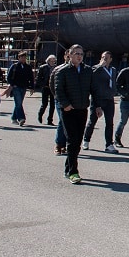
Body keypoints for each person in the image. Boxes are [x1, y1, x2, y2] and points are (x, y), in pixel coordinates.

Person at [54, 44, 92, 184]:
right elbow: (58, 90)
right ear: (69, 55)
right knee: (72, 140)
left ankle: (67, 168)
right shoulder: (62, 71)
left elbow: (92, 88)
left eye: (81, 54)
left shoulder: (88, 71)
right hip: (68, 110)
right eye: (76, 53)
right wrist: (65, 104)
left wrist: (98, 105)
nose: (79, 56)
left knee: (77, 142)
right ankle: (73, 172)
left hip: (82, 109)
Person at [83, 51, 118, 153]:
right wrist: (100, 66)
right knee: (92, 121)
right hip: (98, 99)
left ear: (111, 59)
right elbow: (91, 78)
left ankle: (109, 144)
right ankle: (86, 140)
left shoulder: (113, 70)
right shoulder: (95, 68)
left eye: (106, 58)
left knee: (109, 122)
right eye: (103, 57)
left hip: (109, 99)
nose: (104, 59)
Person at [6, 51, 35, 126]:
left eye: (25, 58)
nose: (23, 59)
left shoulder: (28, 67)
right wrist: (12, 84)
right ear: (19, 58)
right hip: (16, 87)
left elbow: (31, 78)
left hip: (24, 87)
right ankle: (21, 118)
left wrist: (31, 87)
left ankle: (13, 118)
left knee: (19, 103)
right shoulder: (14, 66)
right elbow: (9, 77)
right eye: (22, 57)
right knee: (18, 102)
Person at [36, 55, 58, 125]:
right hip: (45, 87)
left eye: (54, 61)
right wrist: (42, 85)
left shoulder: (56, 68)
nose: (53, 62)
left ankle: (50, 120)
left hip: (53, 88)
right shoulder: (43, 67)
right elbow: (39, 78)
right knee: (44, 103)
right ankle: (40, 114)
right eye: (51, 61)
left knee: (52, 105)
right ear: (48, 61)